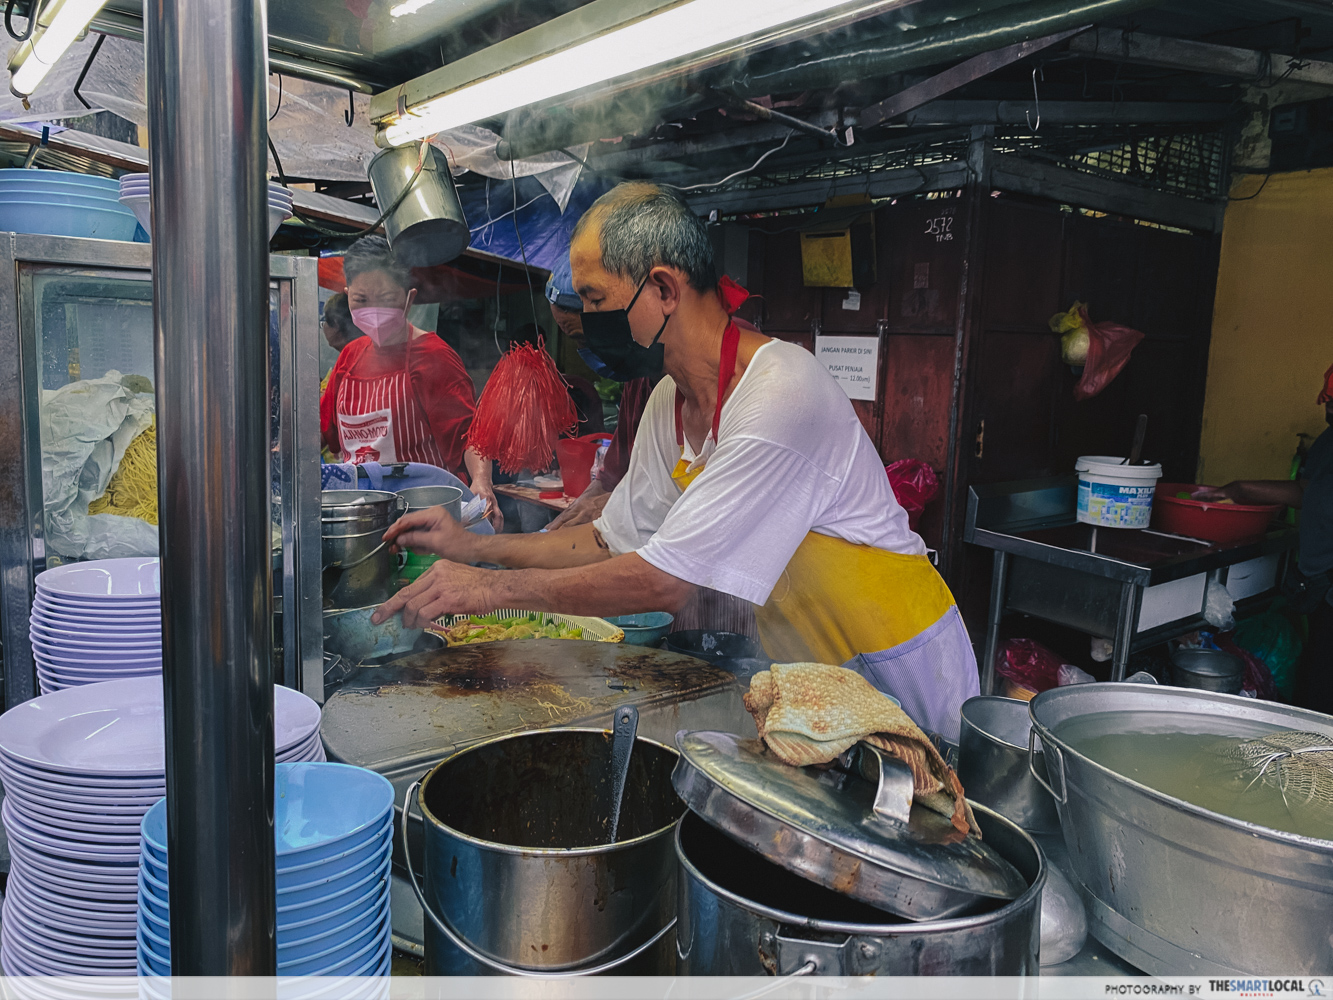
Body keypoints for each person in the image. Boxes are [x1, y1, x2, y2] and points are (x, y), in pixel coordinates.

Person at [371, 182, 977, 738]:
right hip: (812, 674)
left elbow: (663, 580)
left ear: (662, 289)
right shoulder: (670, 399)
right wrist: (473, 548)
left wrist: (485, 591)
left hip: (898, 665)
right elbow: (610, 541)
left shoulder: (780, 394)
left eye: (595, 298)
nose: (585, 319)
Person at [320, 236, 500, 528]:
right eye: (361, 300)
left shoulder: (433, 357)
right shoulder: (349, 358)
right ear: (348, 295)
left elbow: (470, 438)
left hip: (426, 516)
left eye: (387, 299)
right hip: (360, 519)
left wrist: (482, 483)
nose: (373, 310)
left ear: (409, 298)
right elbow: (319, 430)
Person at [1196, 362, 1333, 712]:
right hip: (1322, 586)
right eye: (1329, 401)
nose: (1330, 409)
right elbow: (1307, 492)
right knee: (1319, 683)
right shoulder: (1329, 442)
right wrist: (1241, 489)